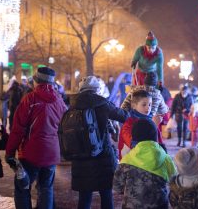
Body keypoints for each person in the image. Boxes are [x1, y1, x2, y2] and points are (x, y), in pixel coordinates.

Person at [5, 67, 66, 209]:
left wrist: (9, 152)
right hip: (51, 153)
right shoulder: (59, 101)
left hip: (30, 153)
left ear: (36, 82)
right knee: (46, 188)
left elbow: (17, 129)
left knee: (22, 187)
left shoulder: (30, 99)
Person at [68, 76, 129, 209]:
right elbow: (124, 116)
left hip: (80, 158)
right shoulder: (102, 103)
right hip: (102, 157)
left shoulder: (72, 104)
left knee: (84, 198)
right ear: (97, 89)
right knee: (106, 194)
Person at [114, 118, 177, 208]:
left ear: (134, 136)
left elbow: (117, 186)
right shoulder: (165, 158)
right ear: (155, 135)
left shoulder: (127, 159)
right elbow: (175, 181)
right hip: (158, 205)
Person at [118, 89, 166, 159]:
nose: (148, 107)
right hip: (133, 163)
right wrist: (153, 126)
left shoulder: (150, 120)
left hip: (150, 160)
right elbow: (136, 145)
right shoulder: (129, 123)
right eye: (144, 104)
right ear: (134, 106)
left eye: (150, 104)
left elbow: (158, 143)